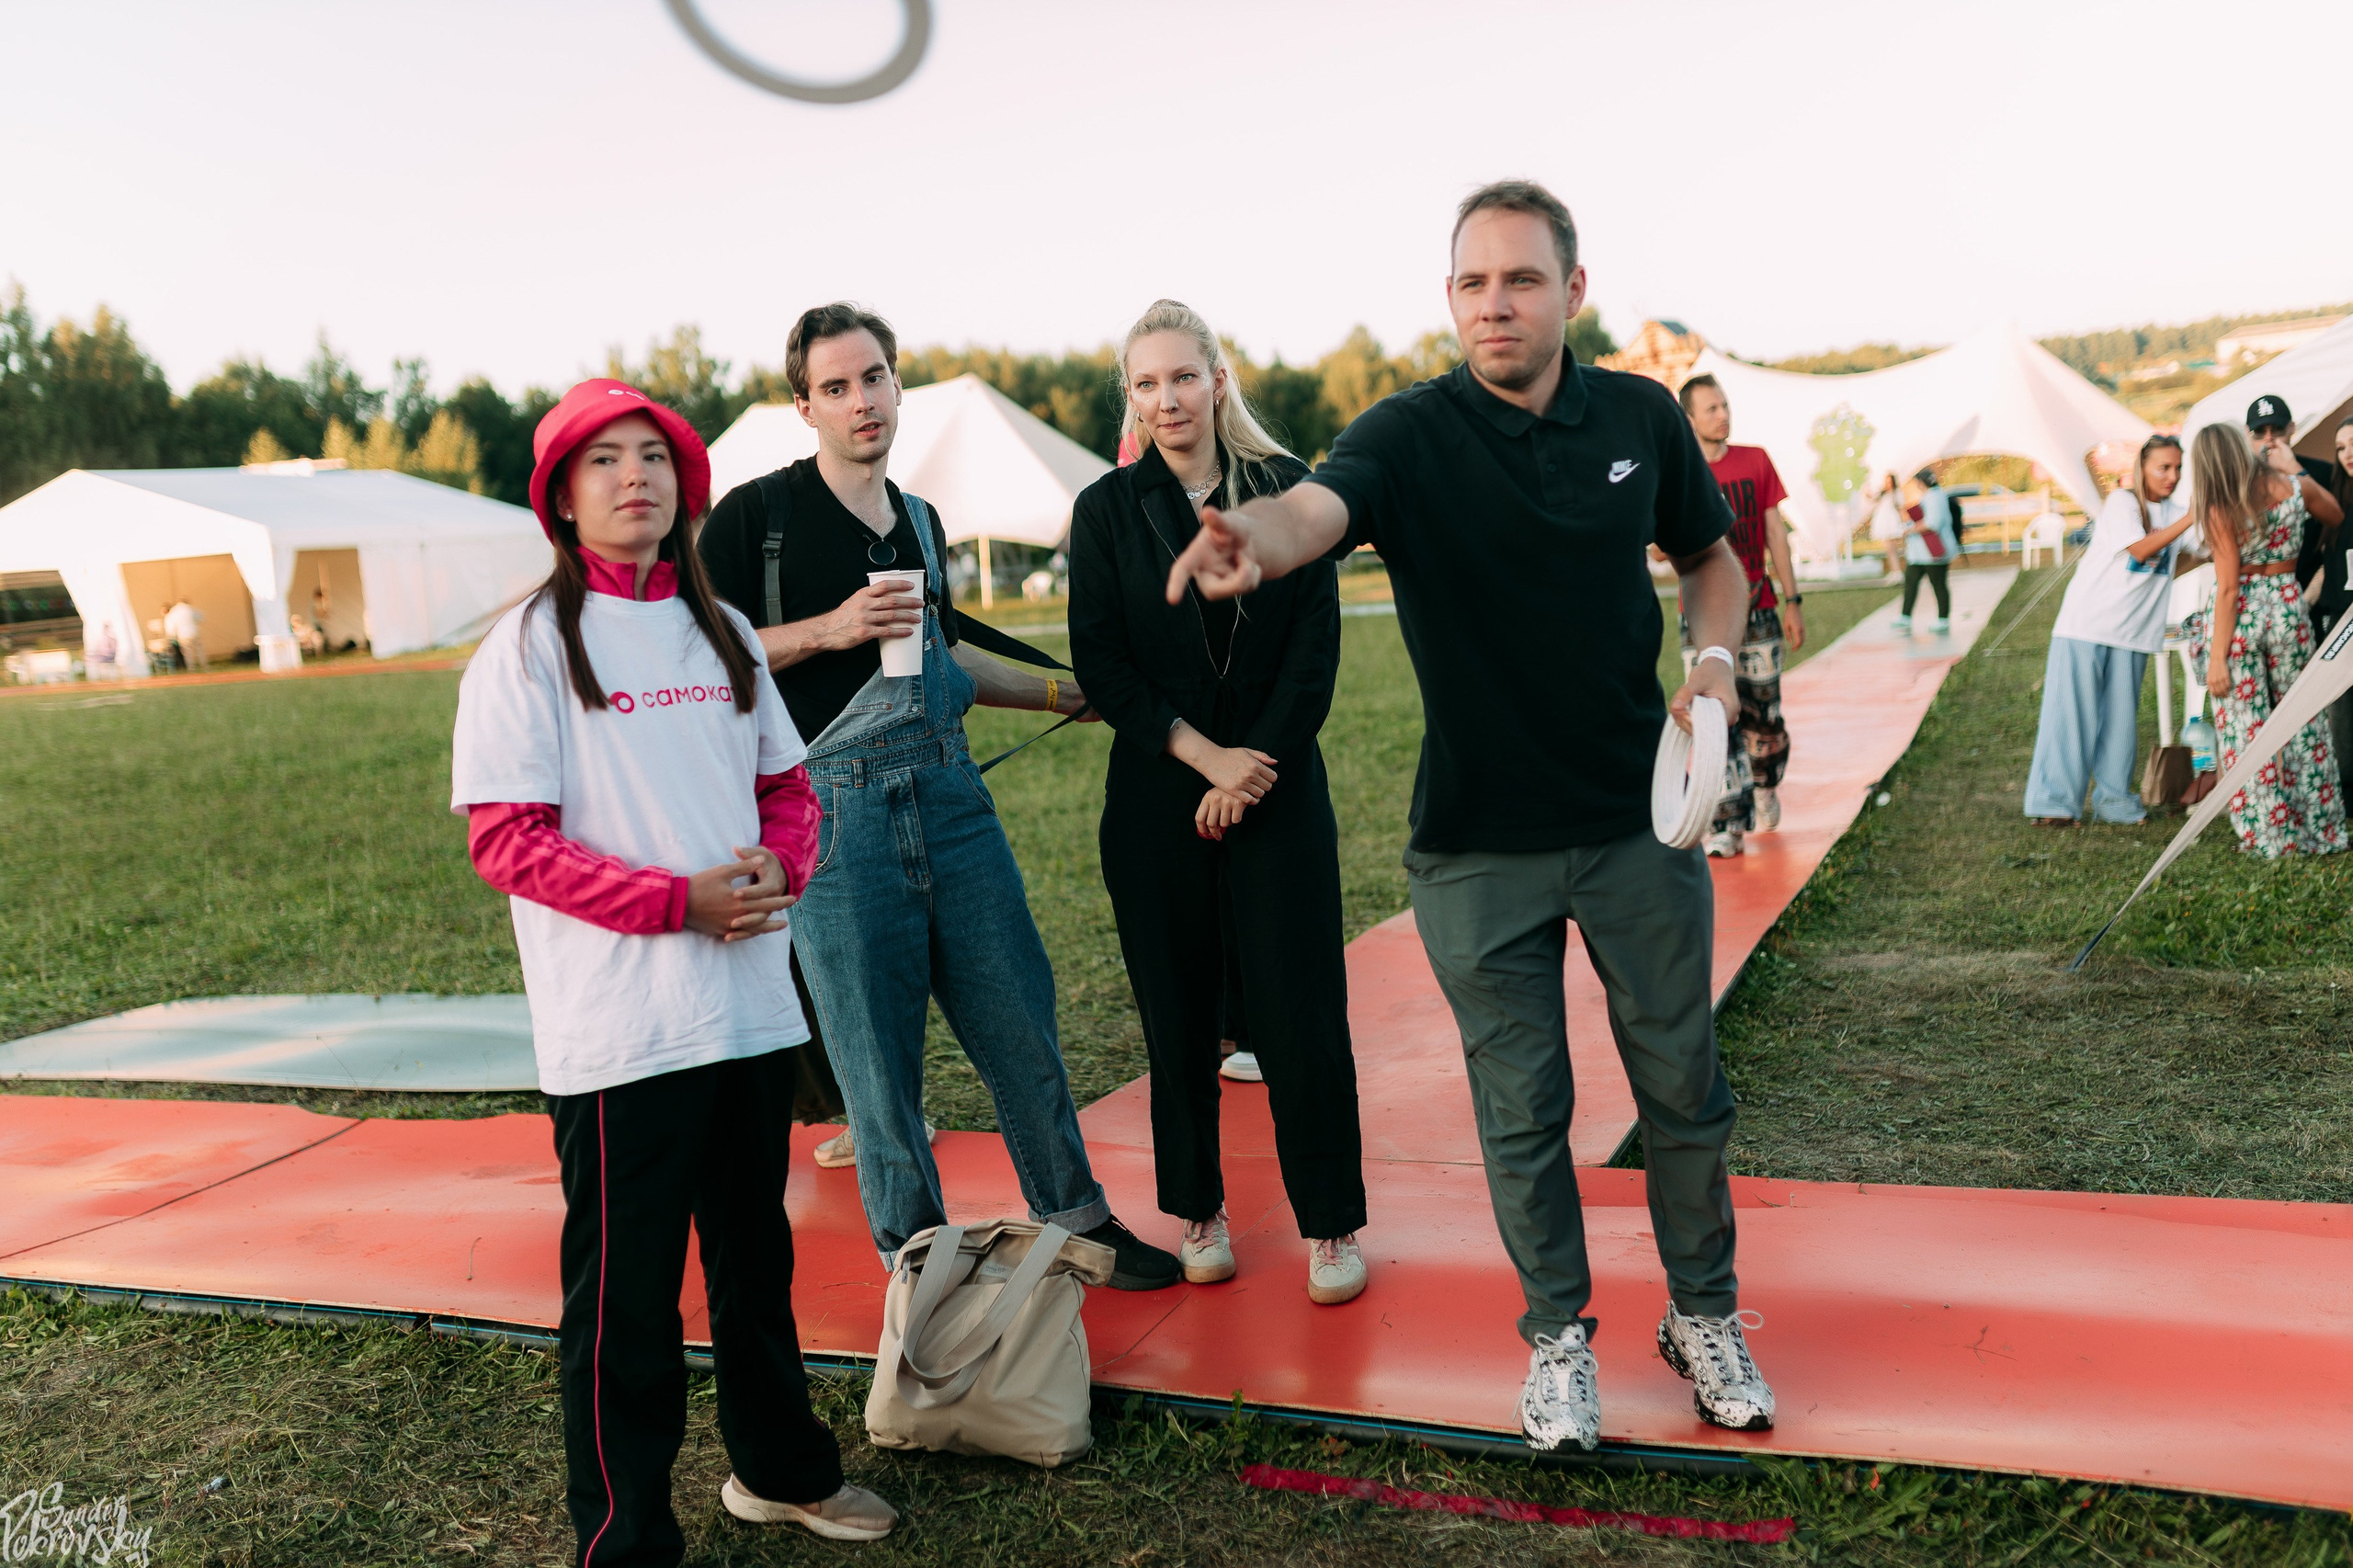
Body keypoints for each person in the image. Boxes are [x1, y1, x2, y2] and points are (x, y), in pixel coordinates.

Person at [1163, 180, 1773, 1451]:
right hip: (1473, 846)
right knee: (1523, 1108)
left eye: (1522, 279)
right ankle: (1559, 1339)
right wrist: (1257, 543)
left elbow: (1709, 560)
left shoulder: (1642, 417)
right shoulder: (1408, 431)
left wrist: (1711, 668)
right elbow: (1319, 505)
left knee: (1684, 1087)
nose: (1495, 304)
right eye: (1473, 283)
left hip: (1633, 822)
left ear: (1573, 292)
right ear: (1448, 298)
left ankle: (1705, 1313)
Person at [450, 380, 897, 1560]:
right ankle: (625, 1538)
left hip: (747, 1014)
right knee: (627, 1304)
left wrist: (781, 865)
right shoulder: (529, 645)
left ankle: (781, 1469)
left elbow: (787, 789)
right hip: (622, 1033)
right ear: (561, 493)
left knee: (758, 1267)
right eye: (603, 461)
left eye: (653, 455)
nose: (633, 475)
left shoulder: (725, 632)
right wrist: (673, 902)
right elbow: (507, 839)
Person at [697, 302, 1179, 1290]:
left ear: (897, 383)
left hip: (950, 792)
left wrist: (1065, 691)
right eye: (834, 387)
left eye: (873, 377)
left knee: (1021, 1016)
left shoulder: (918, 518)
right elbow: (701, 648)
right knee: (877, 1070)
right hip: (835, 816)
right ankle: (920, 1268)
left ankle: (1079, 1222)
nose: (860, 400)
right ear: (804, 406)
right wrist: (826, 630)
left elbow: (943, 654)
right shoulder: (760, 516)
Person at [1068, 300, 1368, 1304]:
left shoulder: (1286, 491)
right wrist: (1205, 760)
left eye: (1183, 377)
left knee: (1301, 1014)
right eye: (1146, 383)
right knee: (1178, 1014)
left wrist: (1252, 769)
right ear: (1131, 396)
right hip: (1159, 795)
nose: (1167, 399)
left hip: (1278, 790)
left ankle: (1330, 1223)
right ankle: (1198, 1208)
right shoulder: (1107, 510)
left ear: (1217, 380)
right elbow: (1102, 663)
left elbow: (1314, 656)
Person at [2189, 421, 2347, 858]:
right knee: (2304, 722)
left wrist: (2217, 657)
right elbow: (2335, 515)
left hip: (2241, 619)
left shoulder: (2221, 507)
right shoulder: (2294, 486)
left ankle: (2271, 838)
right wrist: (2295, 466)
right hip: (2288, 607)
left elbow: (2227, 589)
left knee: (2246, 729)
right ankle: (2322, 831)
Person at [2022, 436, 2191, 825]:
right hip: (2088, 624)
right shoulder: (2123, 503)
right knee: (2072, 716)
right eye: (2163, 468)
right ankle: (2054, 805)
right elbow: (2139, 550)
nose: (2172, 476)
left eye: (2178, 468)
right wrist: (2191, 519)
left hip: (2133, 632)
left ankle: (2115, 803)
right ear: (2142, 467)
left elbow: (2175, 560)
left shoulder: (2179, 511)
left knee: (2120, 723)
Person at [1677, 374, 1804, 856]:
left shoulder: (1756, 461)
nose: (1722, 414)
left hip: (1761, 612)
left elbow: (1776, 534)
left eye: (1725, 405)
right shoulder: (1682, 472)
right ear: (1689, 420)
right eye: (1710, 409)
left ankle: (1766, 782)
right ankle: (1726, 822)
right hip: (1702, 618)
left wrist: (1792, 601)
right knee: (1713, 717)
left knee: (1762, 712)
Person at [1891, 469, 1957, 634]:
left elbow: (1932, 523)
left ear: (1921, 482)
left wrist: (1909, 530)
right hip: (1920, 553)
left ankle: (1943, 619)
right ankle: (1905, 616)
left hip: (1934, 551)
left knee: (1938, 584)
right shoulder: (1932, 496)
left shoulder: (1935, 498)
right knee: (1911, 582)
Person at [1863, 471, 1906, 577]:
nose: (1888, 484)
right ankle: (1895, 571)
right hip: (1883, 521)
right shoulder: (1882, 493)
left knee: (1893, 548)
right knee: (1889, 549)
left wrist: (1904, 522)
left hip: (1891, 521)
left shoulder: (1897, 493)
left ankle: (1897, 571)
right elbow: (1871, 498)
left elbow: (1901, 508)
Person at [164, 597, 206, 670]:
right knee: (199, 650)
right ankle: (204, 665)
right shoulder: (190, 608)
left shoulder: (174, 611)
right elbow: (201, 617)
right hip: (194, 632)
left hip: (183, 634)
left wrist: (172, 636)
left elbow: (171, 626)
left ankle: (191, 667)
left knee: (187, 652)